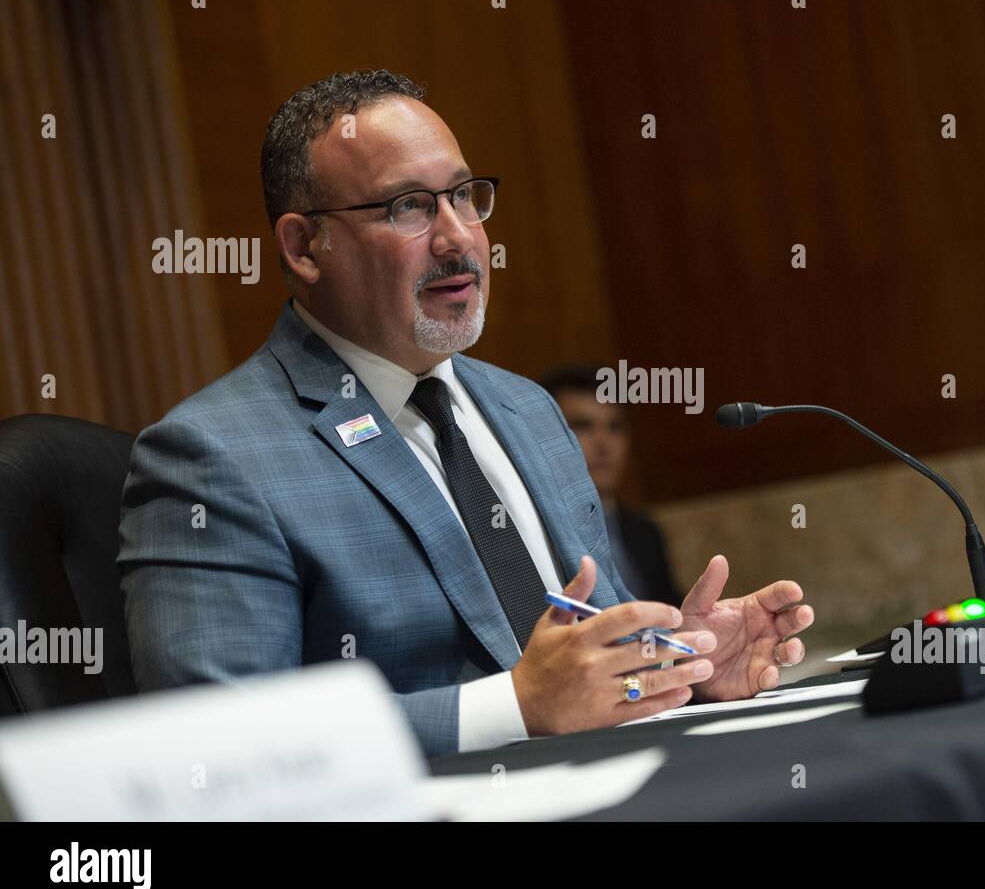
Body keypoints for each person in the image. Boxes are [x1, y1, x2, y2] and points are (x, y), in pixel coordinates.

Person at [118, 69, 813, 758]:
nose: (459, 238)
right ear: (305, 247)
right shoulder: (212, 456)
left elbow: (591, 659)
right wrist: (513, 705)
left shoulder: (528, 409)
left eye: (463, 196)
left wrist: (676, 661)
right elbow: (215, 745)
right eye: (408, 207)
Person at [541, 365, 683, 607]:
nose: (603, 443)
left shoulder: (644, 531)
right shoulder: (534, 531)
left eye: (615, 427)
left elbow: (672, 614)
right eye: (582, 426)